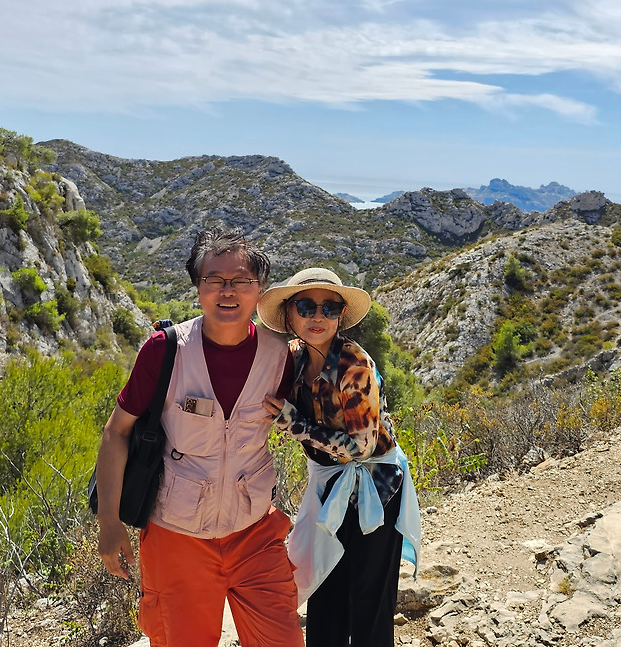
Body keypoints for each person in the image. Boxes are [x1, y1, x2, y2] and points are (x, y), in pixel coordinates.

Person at [94, 230, 303, 647]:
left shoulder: (279, 356)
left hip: (255, 533)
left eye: (241, 280)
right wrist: (109, 522)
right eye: (214, 280)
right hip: (177, 538)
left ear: (260, 289)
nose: (228, 291)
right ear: (197, 287)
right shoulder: (165, 351)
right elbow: (116, 431)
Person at [257, 268, 420, 647]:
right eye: (306, 306)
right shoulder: (293, 358)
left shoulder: (355, 366)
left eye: (329, 308)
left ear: (341, 315)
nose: (318, 316)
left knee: (369, 601)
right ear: (289, 314)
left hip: (377, 492)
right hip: (331, 489)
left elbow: (360, 448)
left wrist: (294, 423)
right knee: (326, 593)